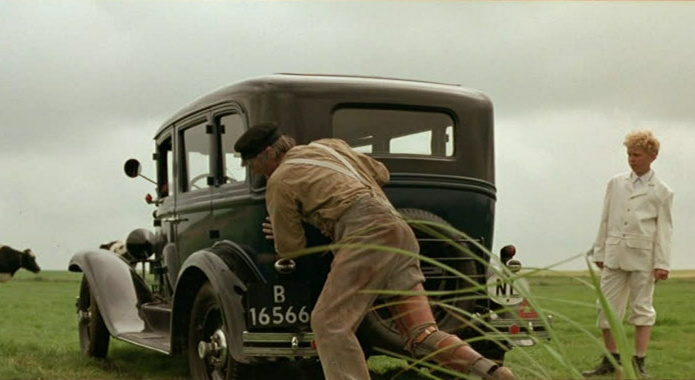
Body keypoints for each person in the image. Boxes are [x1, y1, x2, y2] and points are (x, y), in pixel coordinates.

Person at [234, 123, 515, 380]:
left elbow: (291, 248)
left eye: (253, 163)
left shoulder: (280, 180)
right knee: (421, 334)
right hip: (399, 230)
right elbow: (381, 172)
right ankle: (493, 373)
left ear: (269, 152)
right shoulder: (330, 146)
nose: (254, 170)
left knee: (329, 324)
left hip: (365, 236)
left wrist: (290, 226)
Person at [583, 130, 673, 378]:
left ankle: (639, 360)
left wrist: (662, 263)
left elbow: (664, 229)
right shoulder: (615, 183)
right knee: (606, 308)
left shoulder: (662, 191)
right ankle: (610, 359)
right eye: (629, 154)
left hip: (644, 257)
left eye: (637, 155)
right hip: (613, 254)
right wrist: (600, 250)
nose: (631, 159)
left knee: (642, 308)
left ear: (652, 157)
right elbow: (605, 218)